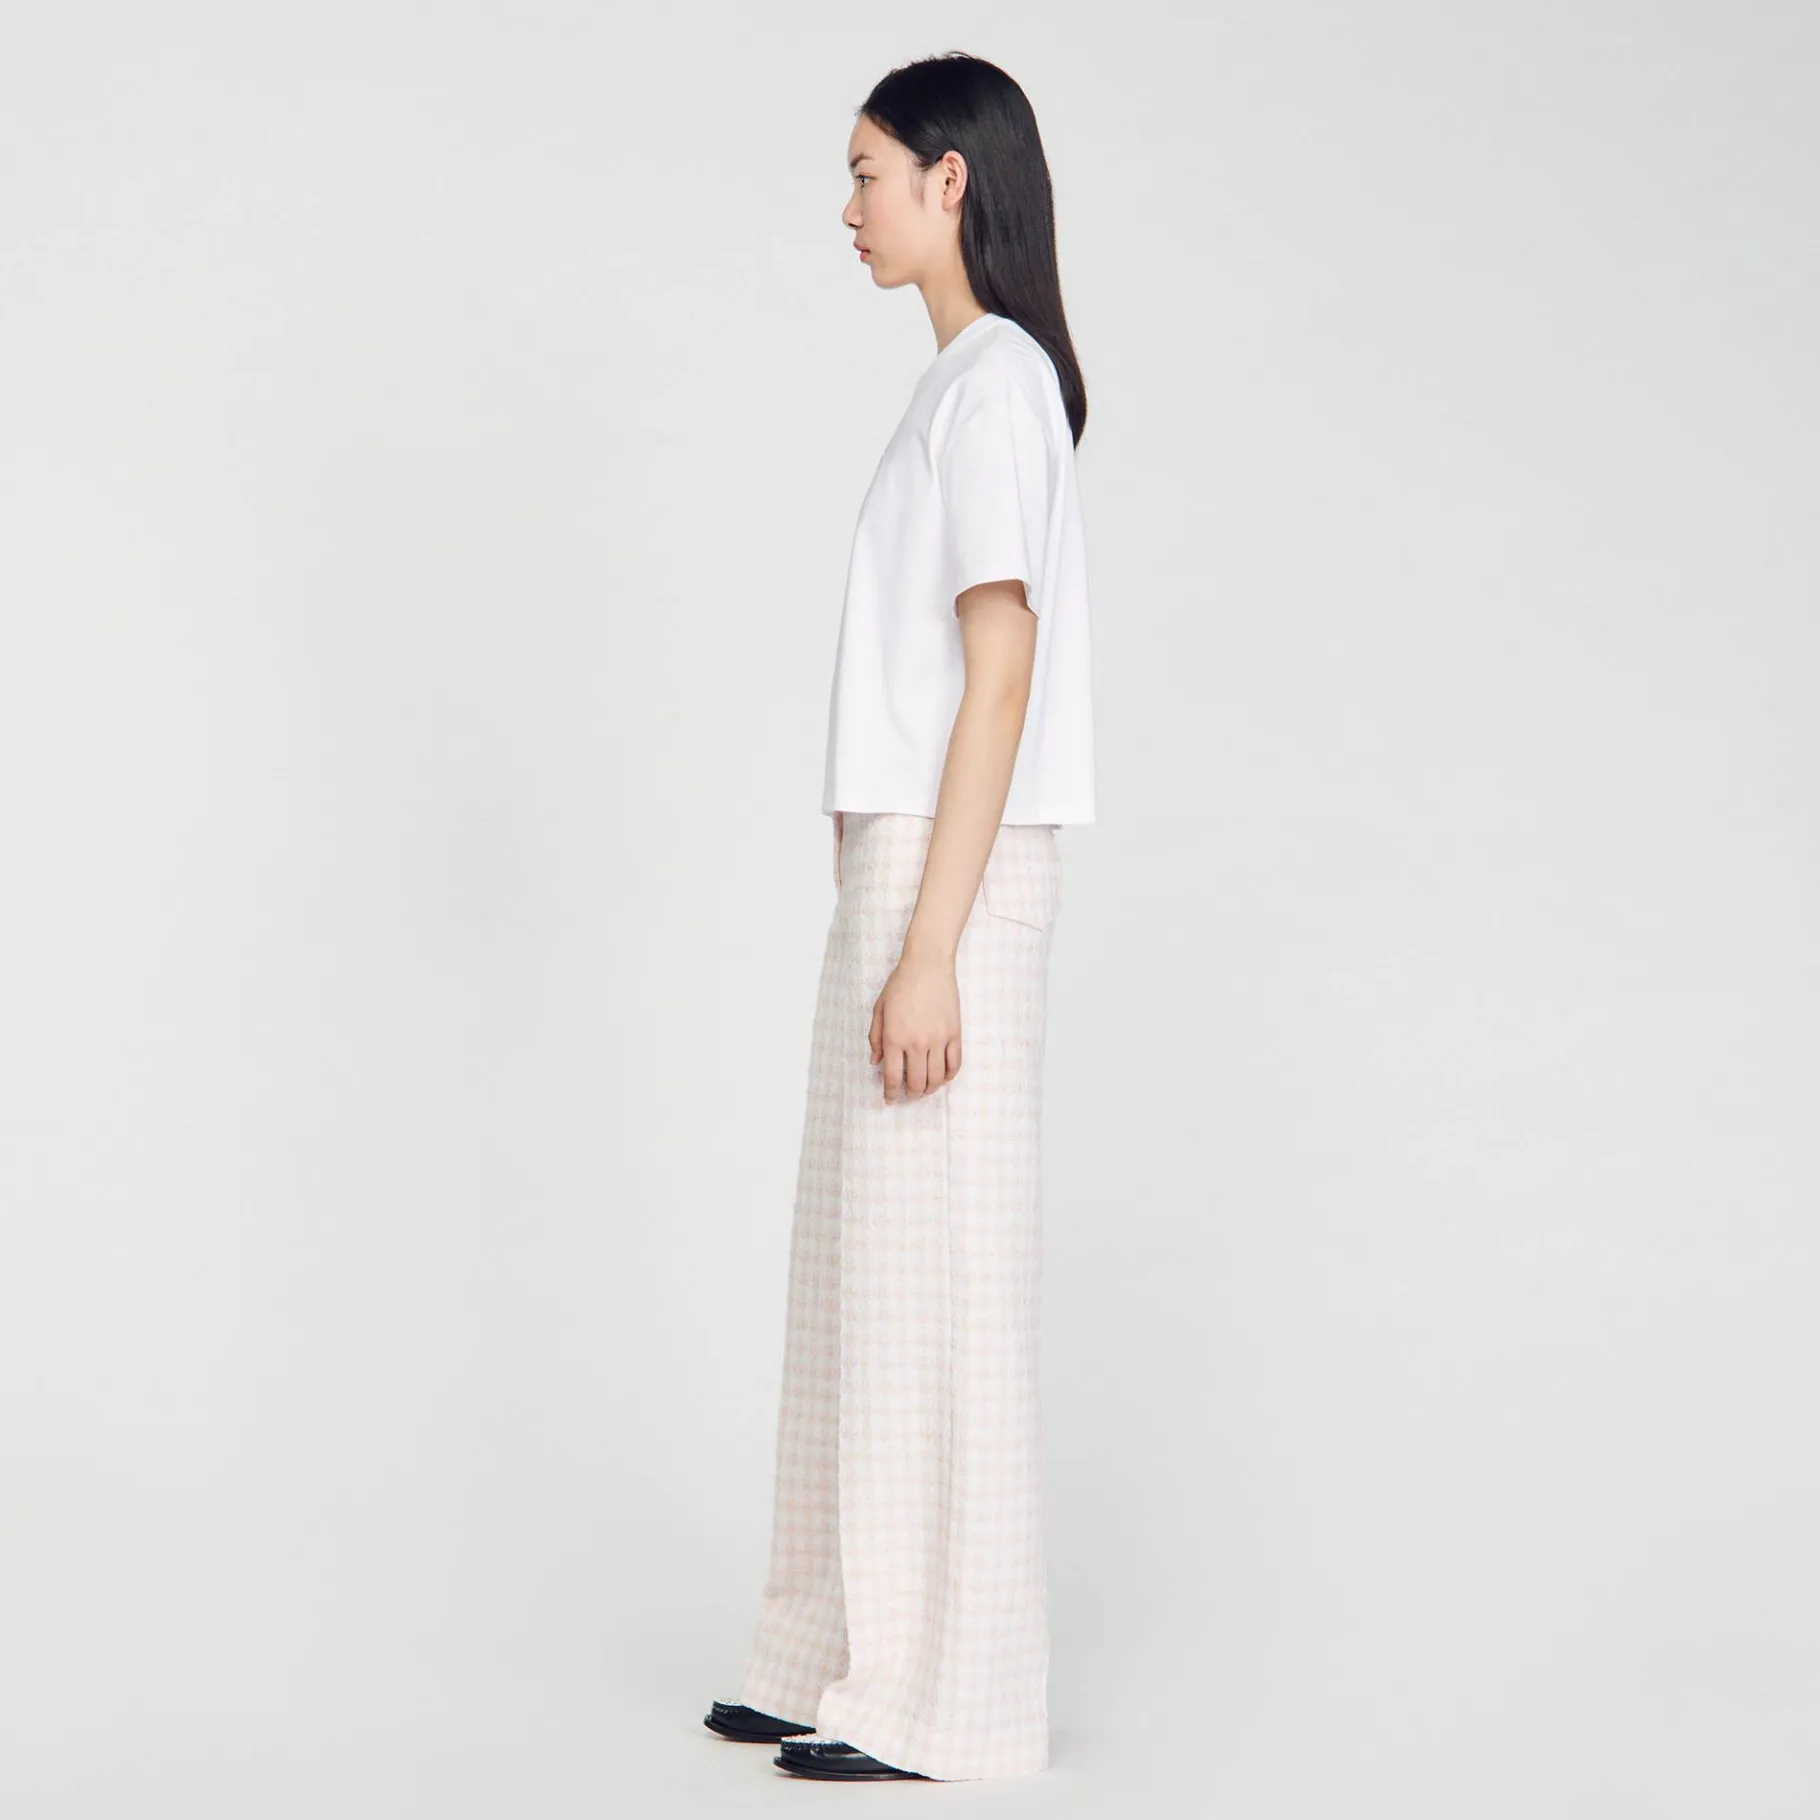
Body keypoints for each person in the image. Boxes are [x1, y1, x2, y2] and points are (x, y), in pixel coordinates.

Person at [701, 50, 1096, 1784]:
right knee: (859, 1275)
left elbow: (1001, 674)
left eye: (869, 173)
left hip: (954, 875)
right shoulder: (960, 388)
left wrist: (933, 941)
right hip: (907, 865)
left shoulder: (997, 386)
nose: (847, 207)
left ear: (952, 180)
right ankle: (837, 1652)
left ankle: (955, 1699)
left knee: (942, 1287)